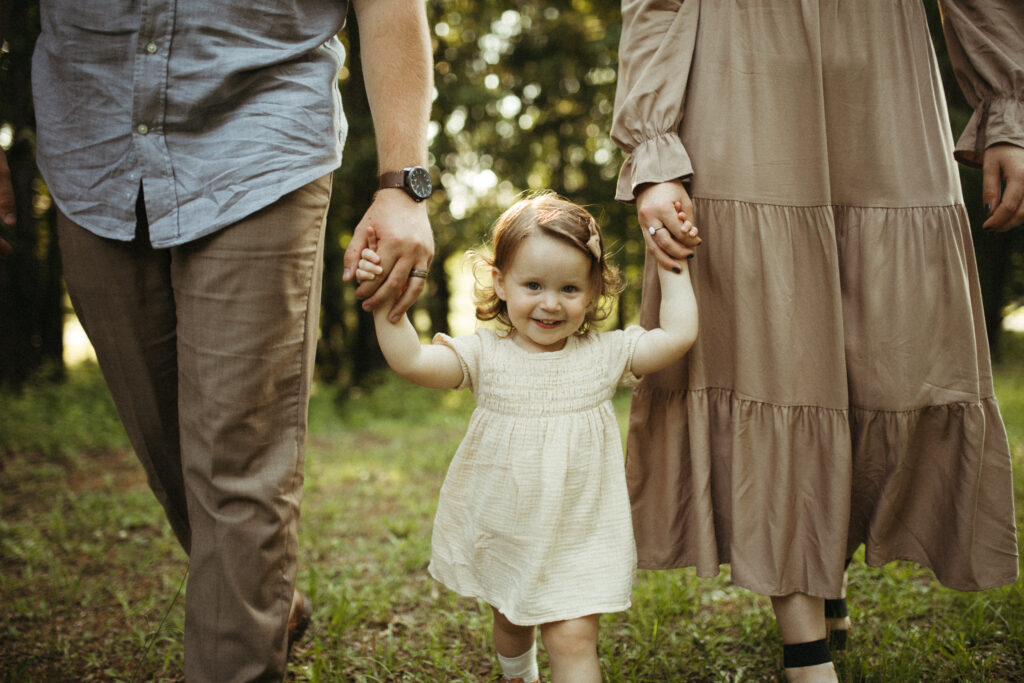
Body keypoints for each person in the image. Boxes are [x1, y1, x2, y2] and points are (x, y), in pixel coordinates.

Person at [612, 0, 1023, 680]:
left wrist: (1006, 103)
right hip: (740, 65)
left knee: (894, 340)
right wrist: (653, 148)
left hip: (884, 68)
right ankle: (805, 643)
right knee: (776, 341)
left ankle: (823, 567)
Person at [28, 1, 434, 680]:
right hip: (88, 143)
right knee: (167, 441)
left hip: (262, 138)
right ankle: (263, 597)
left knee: (236, 459)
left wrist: (404, 182)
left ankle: (239, 643)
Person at [355, 192, 698, 683]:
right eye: (533, 284)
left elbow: (678, 335)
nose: (550, 303)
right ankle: (519, 674)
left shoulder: (604, 355)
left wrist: (671, 262)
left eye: (570, 288)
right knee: (512, 623)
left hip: (581, 532)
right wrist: (387, 302)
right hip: (507, 527)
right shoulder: (486, 356)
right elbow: (412, 361)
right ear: (501, 282)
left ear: (595, 289)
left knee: (574, 638)